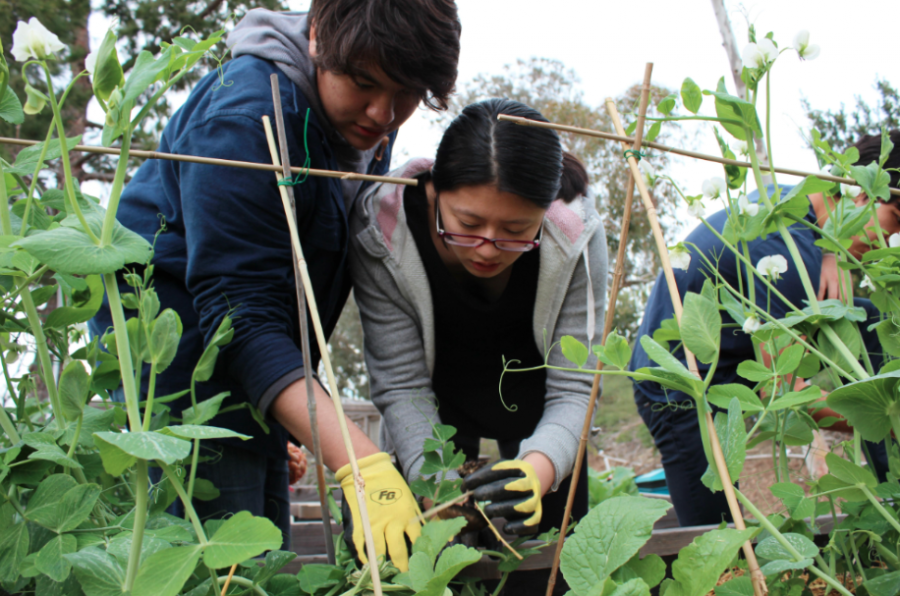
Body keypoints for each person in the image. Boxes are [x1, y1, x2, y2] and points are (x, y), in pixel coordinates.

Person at [89, 0, 461, 571]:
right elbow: (238, 314)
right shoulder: (244, 119)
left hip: (259, 371)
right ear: (317, 37)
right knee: (215, 564)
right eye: (364, 83)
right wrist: (361, 462)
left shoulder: (358, 122)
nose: (384, 113)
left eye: (406, 93)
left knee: (263, 557)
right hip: (177, 365)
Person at [348, 99, 608, 566]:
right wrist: (441, 494)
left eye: (515, 230)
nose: (488, 249)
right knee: (433, 562)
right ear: (435, 192)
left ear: (544, 215)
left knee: (553, 562)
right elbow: (402, 385)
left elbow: (576, 386)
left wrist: (538, 470)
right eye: (467, 224)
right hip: (434, 412)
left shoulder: (575, 234)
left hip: (542, 410)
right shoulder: (383, 229)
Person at [629, 130, 900, 527]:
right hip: (680, 383)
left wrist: (831, 253)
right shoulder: (785, 251)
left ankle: (892, 488)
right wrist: (881, 413)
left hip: (730, 362)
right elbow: (786, 395)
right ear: (862, 193)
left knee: (872, 323)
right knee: (716, 533)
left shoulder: (800, 210)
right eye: (895, 219)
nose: (891, 238)